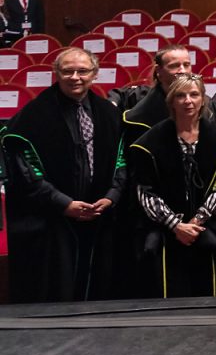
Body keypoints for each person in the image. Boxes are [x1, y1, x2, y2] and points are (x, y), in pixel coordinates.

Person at [1, 48, 126, 301]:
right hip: (51, 219)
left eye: (83, 71)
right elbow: (27, 172)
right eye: (67, 71)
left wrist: (112, 195)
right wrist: (64, 203)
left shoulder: (109, 113)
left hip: (99, 213)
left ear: (95, 75)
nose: (75, 77)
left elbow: (122, 163)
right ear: (56, 74)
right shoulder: (31, 117)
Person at [127, 75, 216, 298]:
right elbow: (145, 191)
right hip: (167, 232)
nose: (188, 101)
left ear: (202, 100)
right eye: (180, 95)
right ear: (171, 101)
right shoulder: (149, 142)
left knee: (212, 296)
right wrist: (176, 225)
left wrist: (197, 221)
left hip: (210, 230)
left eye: (194, 94)